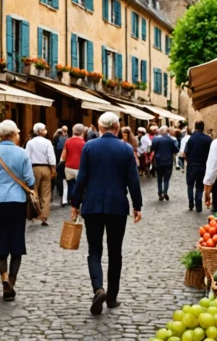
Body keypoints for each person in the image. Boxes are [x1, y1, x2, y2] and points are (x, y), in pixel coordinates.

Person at [70, 112, 142, 315]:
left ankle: (98, 288)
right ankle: (111, 297)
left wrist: (75, 203)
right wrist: (137, 205)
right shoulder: (126, 148)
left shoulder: (90, 147)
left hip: (92, 205)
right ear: (117, 128)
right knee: (115, 252)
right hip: (117, 206)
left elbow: (82, 177)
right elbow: (133, 180)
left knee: (94, 250)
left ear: (100, 129)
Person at [0, 120, 34, 301]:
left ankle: (3, 277)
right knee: (16, 241)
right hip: (17, 202)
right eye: (18, 134)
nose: (19, 137)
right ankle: (11, 280)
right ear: (11, 135)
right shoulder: (23, 153)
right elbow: (30, 179)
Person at [25, 123, 56, 226]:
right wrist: (53, 169)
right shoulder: (47, 142)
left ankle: (37, 213)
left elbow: (27, 157)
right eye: (44, 129)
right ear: (41, 131)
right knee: (46, 192)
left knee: (35, 191)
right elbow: (51, 157)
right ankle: (44, 216)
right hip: (46, 167)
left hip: (34, 168)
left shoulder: (30, 143)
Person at [184, 121, 213, 212]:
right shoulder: (208, 139)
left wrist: (188, 160)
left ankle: (190, 202)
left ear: (195, 127)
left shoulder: (190, 139)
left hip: (192, 165)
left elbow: (185, 152)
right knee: (200, 186)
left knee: (190, 185)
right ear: (203, 128)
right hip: (203, 166)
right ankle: (198, 204)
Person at [151, 126, 180, 201]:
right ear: (166, 131)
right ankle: (165, 192)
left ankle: (160, 193)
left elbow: (152, 149)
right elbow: (176, 150)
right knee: (166, 179)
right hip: (168, 162)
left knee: (159, 178)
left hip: (159, 161)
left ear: (160, 131)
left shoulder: (155, 139)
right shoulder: (170, 140)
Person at [61, 124, 86, 205]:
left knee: (71, 185)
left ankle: (71, 200)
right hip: (80, 168)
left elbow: (63, 156)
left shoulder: (68, 141)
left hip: (68, 167)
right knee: (80, 186)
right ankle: (78, 202)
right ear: (83, 132)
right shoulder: (84, 143)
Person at [53, 126, 69, 203]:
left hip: (61, 158)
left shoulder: (64, 138)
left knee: (61, 177)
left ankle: (61, 192)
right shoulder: (64, 138)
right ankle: (63, 194)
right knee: (62, 177)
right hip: (61, 157)